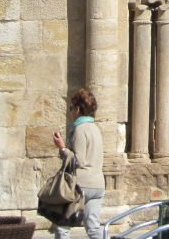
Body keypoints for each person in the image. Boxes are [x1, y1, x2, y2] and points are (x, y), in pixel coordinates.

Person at [53, 88, 105, 239]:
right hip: (98, 184)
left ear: (78, 109)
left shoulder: (79, 129)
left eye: (71, 108)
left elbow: (78, 160)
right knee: (94, 227)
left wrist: (62, 147)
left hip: (81, 184)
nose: (70, 112)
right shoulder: (96, 129)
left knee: (62, 227)